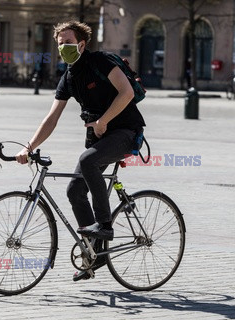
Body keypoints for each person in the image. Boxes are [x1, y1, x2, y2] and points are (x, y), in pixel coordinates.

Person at [15, 20, 146, 280]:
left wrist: (104, 121)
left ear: (82, 44)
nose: (63, 47)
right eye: (60, 44)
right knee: (74, 190)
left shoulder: (102, 61)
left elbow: (127, 92)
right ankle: (93, 255)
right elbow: (51, 118)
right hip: (99, 137)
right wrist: (30, 146)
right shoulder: (69, 77)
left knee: (87, 162)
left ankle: (105, 227)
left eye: (68, 42)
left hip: (125, 132)